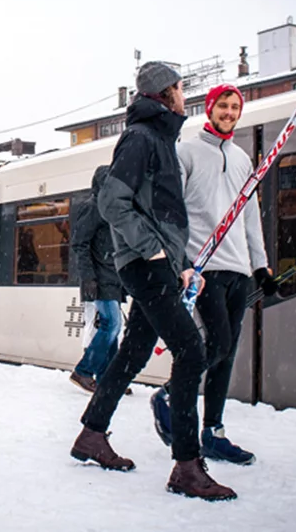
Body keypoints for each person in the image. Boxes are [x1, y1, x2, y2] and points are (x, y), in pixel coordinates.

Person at [70, 61, 236, 501]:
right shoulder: (142, 138)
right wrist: (154, 250)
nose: (185, 95)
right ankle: (186, 465)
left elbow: (165, 214)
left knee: (133, 352)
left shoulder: (160, 138)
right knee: (192, 350)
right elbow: (111, 200)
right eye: (181, 88)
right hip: (145, 264)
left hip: (156, 263)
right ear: (166, 93)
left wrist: (178, 261)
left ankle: (91, 434)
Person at [151, 84, 277, 466]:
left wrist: (261, 265)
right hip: (204, 267)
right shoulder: (186, 151)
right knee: (218, 343)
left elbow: (250, 217)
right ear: (209, 109)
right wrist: (182, 262)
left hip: (238, 268)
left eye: (235, 106)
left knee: (227, 354)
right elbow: (171, 212)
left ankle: (213, 432)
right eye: (223, 105)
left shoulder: (242, 160)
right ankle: (170, 393)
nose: (229, 111)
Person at [69, 166, 128, 394]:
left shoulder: (112, 209)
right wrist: (88, 278)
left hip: (112, 277)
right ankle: (84, 370)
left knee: (111, 328)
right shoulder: (93, 207)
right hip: (100, 278)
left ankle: (107, 380)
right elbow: (79, 244)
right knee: (111, 325)